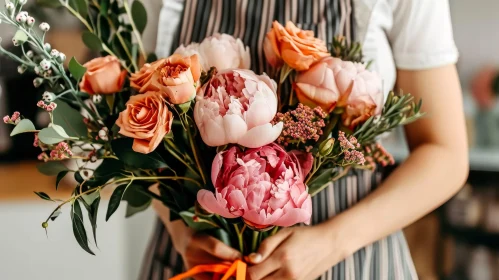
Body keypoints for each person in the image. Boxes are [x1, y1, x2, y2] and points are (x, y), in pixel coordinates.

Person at [140, 0, 469, 279]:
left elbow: (445, 153)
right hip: (198, 262)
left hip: (351, 262)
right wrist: (182, 231)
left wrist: (332, 241)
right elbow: (137, 131)